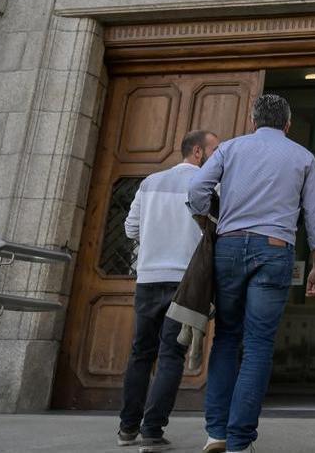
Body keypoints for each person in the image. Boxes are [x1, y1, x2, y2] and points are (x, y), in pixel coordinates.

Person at [187, 94, 315, 453]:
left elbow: (196, 189)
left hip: (229, 247)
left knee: (226, 339)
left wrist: (206, 217)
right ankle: (239, 441)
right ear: (288, 124)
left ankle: (216, 432)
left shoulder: (230, 149)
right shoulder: (303, 157)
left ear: (253, 122)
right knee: (258, 346)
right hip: (275, 249)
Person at [119, 130, 221, 452]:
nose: (218, 156)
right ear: (197, 152)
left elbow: (130, 229)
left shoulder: (149, 182)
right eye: (214, 150)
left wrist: (155, 239)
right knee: (170, 355)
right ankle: (152, 431)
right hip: (186, 282)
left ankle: (126, 429)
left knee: (140, 352)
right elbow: (217, 231)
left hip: (148, 277)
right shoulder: (210, 186)